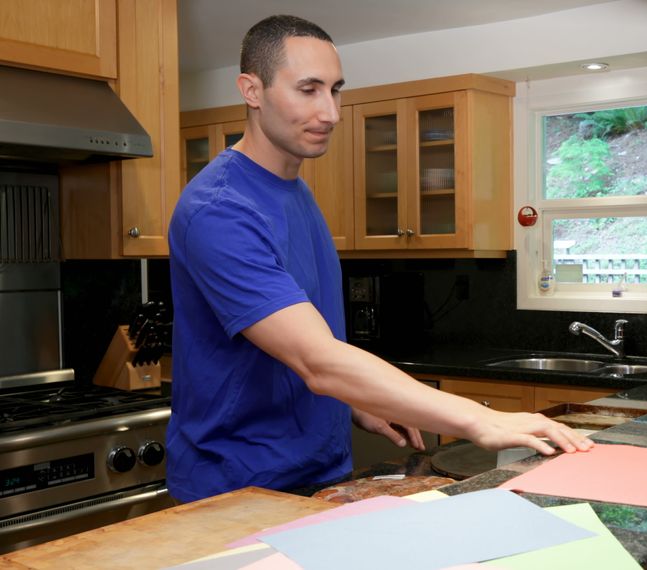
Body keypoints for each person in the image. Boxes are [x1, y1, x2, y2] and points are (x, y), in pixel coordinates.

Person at [166, 15, 592, 503]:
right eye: (308, 89)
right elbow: (317, 360)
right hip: (237, 487)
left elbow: (303, 345)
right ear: (251, 90)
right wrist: (482, 418)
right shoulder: (220, 210)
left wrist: (358, 400)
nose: (330, 112)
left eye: (335, 90)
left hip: (318, 470)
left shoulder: (295, 191)